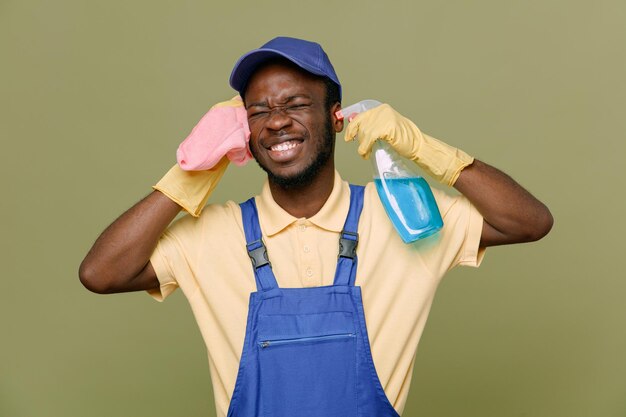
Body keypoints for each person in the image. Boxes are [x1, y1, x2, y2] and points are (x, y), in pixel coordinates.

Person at [79, 37, 553, 417]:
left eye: (295, 104)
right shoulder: (211, 235)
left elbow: (528, 222)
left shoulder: (404, 217)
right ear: (243, 132)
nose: (277, 122)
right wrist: (190, 174)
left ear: (335, 116)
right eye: (258, 111)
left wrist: (424, 148)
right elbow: (102, 274)